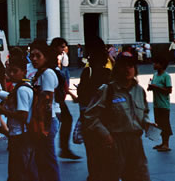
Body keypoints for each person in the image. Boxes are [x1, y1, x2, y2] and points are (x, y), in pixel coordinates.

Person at [83, 52, 151, 181]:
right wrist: (106, 135)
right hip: (114, 142)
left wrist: (148, 123)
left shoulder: (139, 90)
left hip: (136, 142)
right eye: (123, 66)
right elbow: (90, 116)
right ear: (117, 68)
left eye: (131, 66)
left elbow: (145, 112)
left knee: (140, 176)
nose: (127, 69)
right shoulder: (107, 90)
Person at [0, 56, 37, 181]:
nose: (12, 74)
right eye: (10, 71)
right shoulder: (22, 87)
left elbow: (23, 115)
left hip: (20, 135)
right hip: (20, 134)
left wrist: (4, 111)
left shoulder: (22, 90)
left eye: (15, 71)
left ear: (24, 71)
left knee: (18, 171)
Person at [77, 40, 112, 181]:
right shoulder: (108, 73)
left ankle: (93, 176)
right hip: (105, 118)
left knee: (92, 152)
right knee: (105, 152)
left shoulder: (87, 72)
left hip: (89, 118)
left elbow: (82, 95)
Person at [28, 40, 61, 181]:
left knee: (47, 161)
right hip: (40, 122)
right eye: (32, 56)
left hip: (46, 122)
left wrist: (43, 128)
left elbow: (47, 103)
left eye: (38, 56)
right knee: (41, 159)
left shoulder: (47, 74)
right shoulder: (40, 73)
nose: (34, 59)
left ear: (45, 57)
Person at [49, 38, 80, 160]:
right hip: (55, 98)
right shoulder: (51, 61)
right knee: (65, 120)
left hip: (58, 97)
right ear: (56, 47)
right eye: (62, 47)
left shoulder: (54, 59)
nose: (64, 49)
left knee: (66, 120)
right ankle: (63, 148)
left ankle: (64, 148)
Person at [148, 55, 173, 152]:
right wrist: (151, 87)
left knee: (165, 124)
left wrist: (156, 87)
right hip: (156, 104)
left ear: (162, 65)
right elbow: (153, 86)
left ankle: (166, 144)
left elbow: (169, 90)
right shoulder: (155, 75)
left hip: (164, 105)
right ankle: (163, 143)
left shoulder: (166, 76)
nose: (154, 65)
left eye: (156, 63)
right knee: (159, 124)